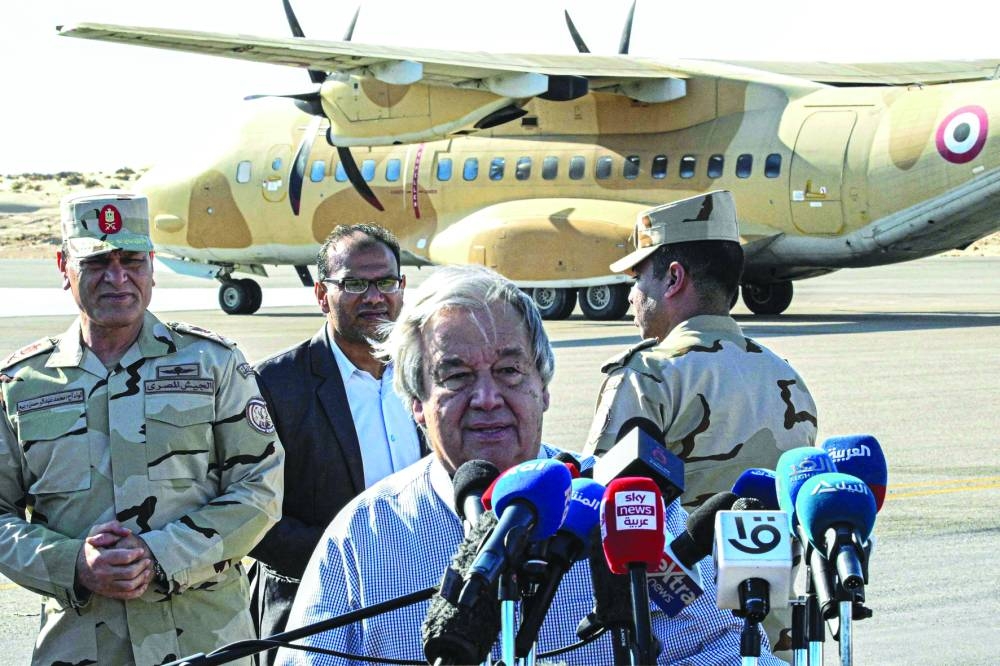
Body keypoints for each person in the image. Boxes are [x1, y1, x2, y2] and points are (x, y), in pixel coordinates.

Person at [274, 264, 785, 665]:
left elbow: (728, 651)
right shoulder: (362, 537)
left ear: (543, 387)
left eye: (509, 371)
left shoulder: (626, 510)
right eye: (455, 376)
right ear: (415, 400)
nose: (488, 398)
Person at [0, 192, 284, 666]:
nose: (117, 277)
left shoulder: (212, 364)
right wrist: (74, 565)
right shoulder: (22, 385)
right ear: (63, 265)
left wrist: (161, 556)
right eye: (96, 263)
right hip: (80, 645)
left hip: (205, 641)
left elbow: (261, 487)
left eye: (131, 260)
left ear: (152, 265)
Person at [582, 190, 817, 655]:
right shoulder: (787, 376)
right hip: (776, 640)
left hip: (685, 640)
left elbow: (604, 516)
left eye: (638, 277)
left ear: (673, 278)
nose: (632, 295)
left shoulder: (648, 376)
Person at [249, 224, 424, 663]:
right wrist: (355, 565)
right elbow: (250, 514)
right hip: (316, 617)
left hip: (424, 611)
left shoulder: (430, 374)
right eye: (353, 284)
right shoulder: (274, 384)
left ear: (402, 287)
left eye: (386, 282)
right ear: (320, 294)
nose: (374, 296)